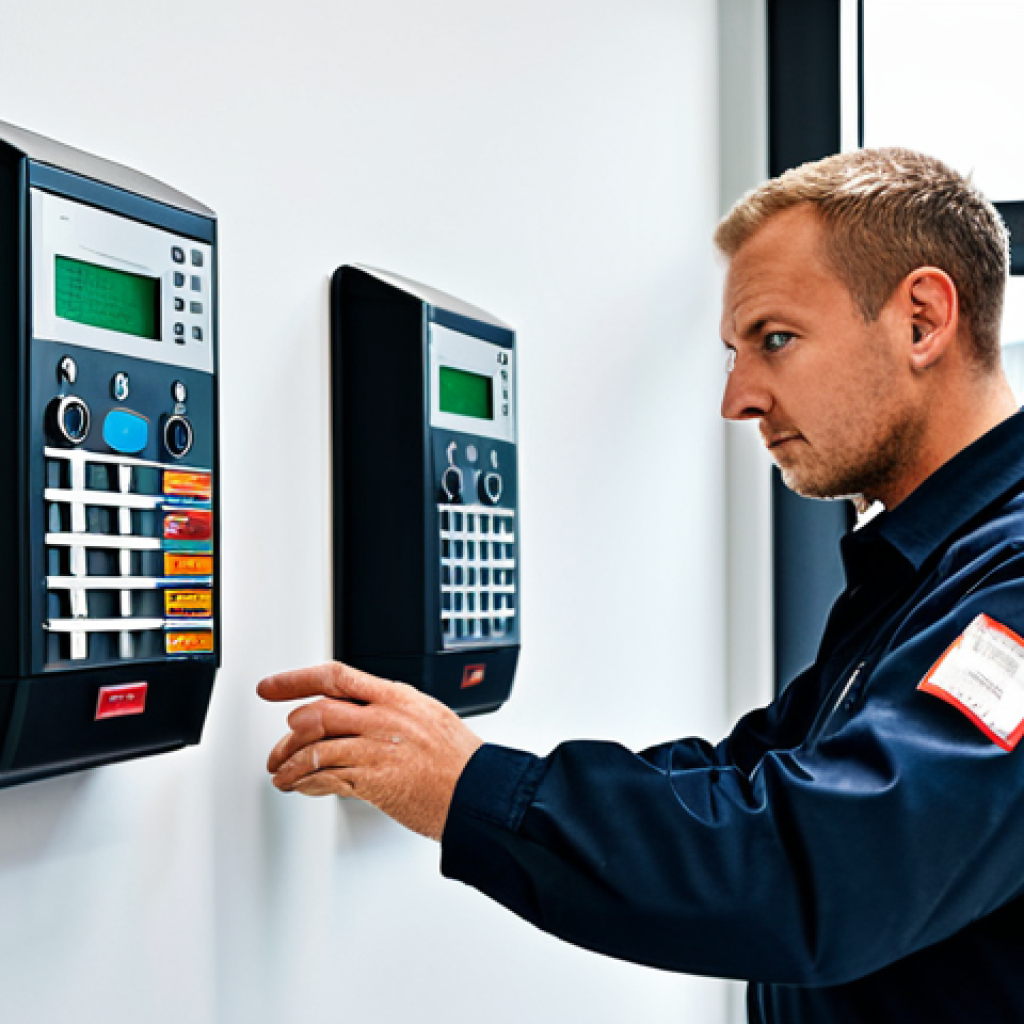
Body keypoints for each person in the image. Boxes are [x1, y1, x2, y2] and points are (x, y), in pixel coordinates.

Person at [259, 148, 1024, 1022]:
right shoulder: (924, 572)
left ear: (922, 320)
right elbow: (750, 780)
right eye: (734, 352)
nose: (738, 398)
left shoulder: (1008, 582)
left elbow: (832, 864)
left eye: (775, 339)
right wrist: (475, 778)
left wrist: (471, 788)